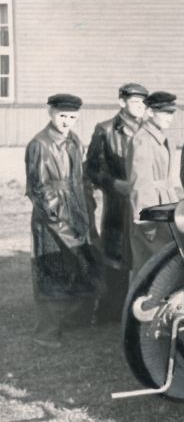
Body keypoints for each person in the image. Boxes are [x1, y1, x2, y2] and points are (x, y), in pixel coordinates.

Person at [25, 94, 102, 348]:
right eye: (62, 116)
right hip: (51, 219)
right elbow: (39, 191)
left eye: (72, 117)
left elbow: (81, 178)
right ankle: (46, 333)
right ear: (50, 113)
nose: (67, 121)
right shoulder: (39, 144)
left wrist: (85, 210)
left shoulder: (74, 140)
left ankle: (73, 323)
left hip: (77, 211)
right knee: (51, 271)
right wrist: (61, 226)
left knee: (78, 266)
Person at [85, 82, 148, 323]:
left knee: (143, 254)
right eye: (135, 101)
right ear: (122, 102)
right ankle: (109, 312)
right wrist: (113, 184)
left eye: (143, 102)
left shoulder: (149, 129)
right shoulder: (105, 130)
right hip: (117, 205)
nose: (140, 106)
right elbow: (92, 169)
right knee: (115, 258)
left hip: (143, 202)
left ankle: (140, 311)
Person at [127, 91, 184, 278]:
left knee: (162, 267)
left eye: (171, 113)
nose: (170, 118)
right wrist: (147, 221)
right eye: (164, 113)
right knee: (151, 269)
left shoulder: (160, 136)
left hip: (165, 206)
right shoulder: (143, 139)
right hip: (152, 211)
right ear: (150, 112)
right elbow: (140, 184)